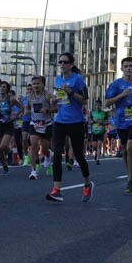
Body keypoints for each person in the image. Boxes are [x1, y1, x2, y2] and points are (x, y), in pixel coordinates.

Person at [47, 52, 93, 202]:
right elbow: (58, 97)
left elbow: (85, 100)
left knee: (78, 155)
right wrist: (54, 99)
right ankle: (56, 190)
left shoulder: (78, 79)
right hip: (60, 120)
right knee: (57, 153)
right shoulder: (58, 79)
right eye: (60, 62)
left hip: (76, 121)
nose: (62, 64)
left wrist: (71, 92)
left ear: (71, 65)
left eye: (65, 62)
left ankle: (87, 184)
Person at [104, 57, 132, 194]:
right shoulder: (116, 84)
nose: (128, 68)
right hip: (121, 121)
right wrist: (121, 95)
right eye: (126, 66)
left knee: (130, 146)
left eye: (130, 66)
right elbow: (107, 103)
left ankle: (130, 179)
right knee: (124, 150)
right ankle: (131, 172)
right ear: (122, 69)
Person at [88, 99, 108, 164]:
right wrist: (94, 121)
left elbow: (107, 122)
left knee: (99, 144)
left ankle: (98, 159)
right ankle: (96, 153)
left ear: (101, 106)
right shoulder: (92, 113)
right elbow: (89, 121)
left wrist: (101, 122)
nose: (98, 107)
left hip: (101, 132)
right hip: (94, 132)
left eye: (99, 105)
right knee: (94, 146)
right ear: (95, 106)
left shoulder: (104, 113)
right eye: (96, 105)